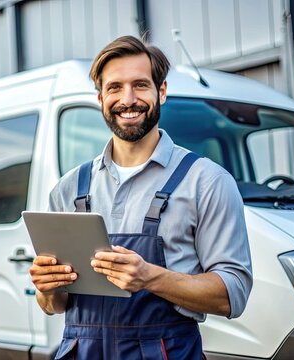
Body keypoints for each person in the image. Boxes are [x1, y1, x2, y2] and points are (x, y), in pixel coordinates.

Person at [29, 35, 253, 359]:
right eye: (115, 87)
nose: (128, 99)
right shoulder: (68, 188)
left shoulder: (207, 182)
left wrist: (150, 277)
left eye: (140, 85)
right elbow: (54, 306)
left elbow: (233, 294)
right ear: (100, 98)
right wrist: (47, 289)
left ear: (161, 91)